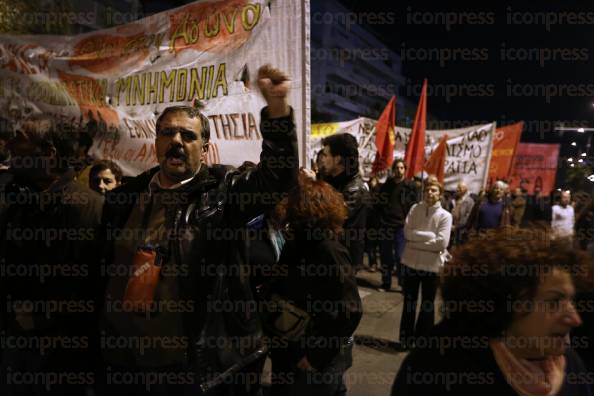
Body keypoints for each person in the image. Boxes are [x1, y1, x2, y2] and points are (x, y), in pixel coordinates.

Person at [95, 64, 298, 396]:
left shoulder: (223, 194)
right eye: (167, 133)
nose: (176, 141)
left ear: (204, 149)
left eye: (188, 136)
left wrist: (277, 111)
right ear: (156, 143)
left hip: (188, 368)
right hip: (123, 362)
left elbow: (276, 178)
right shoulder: (124, 199)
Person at [392, 226, 592, 396]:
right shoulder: (438, 367)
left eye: (570, 301)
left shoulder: (571, 368)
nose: (575, 319)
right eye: (554, 301)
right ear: (505, 303)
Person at [0, 114, 104, 396]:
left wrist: (42, 319)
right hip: (18, 343)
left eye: (20, 138)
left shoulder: (87, 209)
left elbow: (90, 287)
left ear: (48, 152)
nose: (9, 143)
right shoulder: (18, 203)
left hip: (60, 356)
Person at [264, 176, 362, 396]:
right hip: (291, 353)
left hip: (314, 362)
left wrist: (316, 356)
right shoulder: (298, 242)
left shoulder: (328, 249)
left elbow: (350, 310)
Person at [399, 179, 452, 349]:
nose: (430, 193)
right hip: (411, 264)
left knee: (427, 306)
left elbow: (442, 243)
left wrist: (415, 242)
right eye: (428, 189)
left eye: (434, 190)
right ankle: (405, 340)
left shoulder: (445, 216)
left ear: (440, 194)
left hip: (431, 267)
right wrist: (429, 236)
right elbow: (407, 233)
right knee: (409, 303)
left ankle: (422, 342)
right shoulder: (415, 209)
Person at [318, 133, 369, 271]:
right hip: (328, 256)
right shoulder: (331, 180)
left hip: (343, 261)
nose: (322, 159)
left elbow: (329, 217)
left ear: (337, 159)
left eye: (326, 155)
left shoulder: (355, 189)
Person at [375, 159, 418, 291]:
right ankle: (386, 283)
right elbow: (379, 203)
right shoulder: (387, 185)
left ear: (405, 170)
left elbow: (414, 206)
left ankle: (402, 283)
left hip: (401, 226)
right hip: (386, 225)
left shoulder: (410, 186)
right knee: (385, 256)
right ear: (393, 170)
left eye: (401, 168)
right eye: (396, 168)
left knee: (400, 256)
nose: (399, 170)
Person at [450, 181, 474, 246]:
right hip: (451, 229)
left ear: (466, 189)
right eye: (457, 187)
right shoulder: (453, 199)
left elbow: (468, 217)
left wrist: (456, 227)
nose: (457, 189)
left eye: (460, 188)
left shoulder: (470, 201)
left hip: (460, 232)